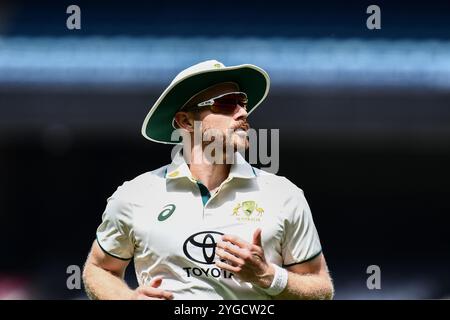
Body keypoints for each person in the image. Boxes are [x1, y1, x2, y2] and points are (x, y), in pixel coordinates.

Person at [82, 60, 334, 300]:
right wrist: (126, 297)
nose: (243, 112)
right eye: (227, 103)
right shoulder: (135, 194)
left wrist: (267, 276)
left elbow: (322, 288)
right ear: (185, 121)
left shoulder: (284, 194)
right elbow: (99, 269)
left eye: (243, 102)